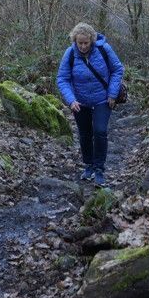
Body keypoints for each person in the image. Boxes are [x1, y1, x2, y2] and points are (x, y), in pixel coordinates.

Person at [55, 22, 124, 186]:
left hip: (103, 99)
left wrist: (112, 94)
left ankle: (99, 169)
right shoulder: (70, 54)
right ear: (75, 41)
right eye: (80, 43)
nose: (83, 46)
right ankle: (89, 166)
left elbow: (117, 70)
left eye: (86, 43)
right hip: (80, 102)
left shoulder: (104, 49)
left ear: (92, 40)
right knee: (85, 133)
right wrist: (71, 100)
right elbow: (62, 79)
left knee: (100, 131)